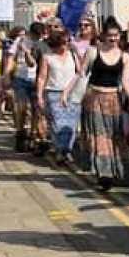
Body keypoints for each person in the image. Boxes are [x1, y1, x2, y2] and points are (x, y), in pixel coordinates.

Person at [81, 18, 129, 190]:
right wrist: (69, 94)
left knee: (115, 135)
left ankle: (117, 170)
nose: (113, 39)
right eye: (109, 36)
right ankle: (104, 173)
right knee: (100, 136)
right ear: (103, 36)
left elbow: (126, 82)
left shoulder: (126, 57)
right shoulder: (92, 52)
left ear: (120, 36)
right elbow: (81, 75)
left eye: (116, 36)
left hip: (114, 99)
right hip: (94, 98)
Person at [35, 29, 80, 163]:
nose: (64, 46)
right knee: (57, 124)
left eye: (66, 42)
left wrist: (76, 52)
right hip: (53, 92)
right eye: (62, 43)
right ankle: (60, 151)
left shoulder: (72, 54)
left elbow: (79, 71)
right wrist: (39, 96)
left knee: (71, 124)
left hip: (72, 93)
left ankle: (67, 149)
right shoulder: (47, 57)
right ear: (55, 44)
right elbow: (42, 78)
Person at [10, 24, 40, 152]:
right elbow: (11, 58)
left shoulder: (41, 43)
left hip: (35, 80)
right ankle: (20, 134)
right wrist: (6, 75)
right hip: (20, 78)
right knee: (21, 109)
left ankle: (32, 136)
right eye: (35, 36)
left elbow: (38, 62)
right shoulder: (20, 41)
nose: (37, 38)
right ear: (30, 33)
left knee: (35, 109)